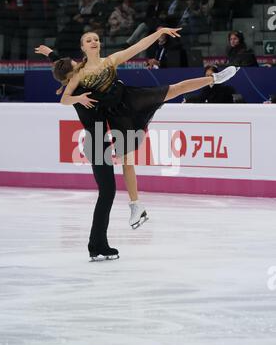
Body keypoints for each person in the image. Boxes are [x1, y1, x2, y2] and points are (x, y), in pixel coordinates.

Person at [35, 28, 239, 260]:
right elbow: (65, 81)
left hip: (124, 107)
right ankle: (107, 234)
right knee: (112, 183)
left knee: (172, 92)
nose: (93, 42)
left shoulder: (96, 64)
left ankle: (214, 78)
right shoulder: (76, 77)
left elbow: (136, 47)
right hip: (100, 134)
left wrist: (158, 32)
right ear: (81, 50)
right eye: (88, 40)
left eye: (96, 39)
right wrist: (76, 95)